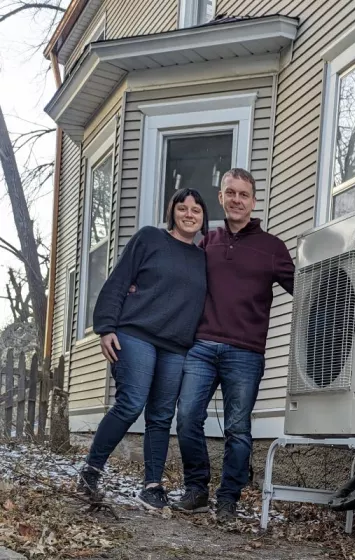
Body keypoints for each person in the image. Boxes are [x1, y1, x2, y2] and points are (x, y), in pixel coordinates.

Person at [171, 168, 295, 521]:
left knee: (238, 429)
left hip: (246, 352)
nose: (237, 199)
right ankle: (196, 490)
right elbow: (177, 279)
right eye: (231, 193)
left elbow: (305, 289)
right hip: (203, 346)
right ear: (221, 197)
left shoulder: (272, 248)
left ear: (254, 201)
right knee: (187, 417)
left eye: (244, 194)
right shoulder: (206, 241)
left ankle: (228, 499)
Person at [76, 188, 209, 510]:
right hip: (136, 334)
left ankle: (152, 486)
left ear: (203, 217)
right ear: (172, 212)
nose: (189, 214)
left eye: (196, 209)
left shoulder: (203, 258)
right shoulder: (149, 238)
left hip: (176, 346)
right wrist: (105, 327)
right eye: (182, 208)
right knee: (131, 402)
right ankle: (91, 470)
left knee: (162, 416)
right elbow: (120, 280)